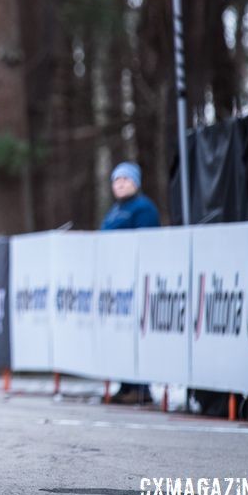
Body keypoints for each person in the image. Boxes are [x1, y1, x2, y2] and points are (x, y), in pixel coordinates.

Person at [101, 160, 158, 404]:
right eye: (117, 180)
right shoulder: (113, 211)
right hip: (116, 281)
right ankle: (125, 385)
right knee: (120, 335)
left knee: (136, 333)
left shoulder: (143, 208)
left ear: (136, 182)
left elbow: (146, 243)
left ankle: (141, 386)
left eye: (126, 179)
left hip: (136, 279)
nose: (121, 184)